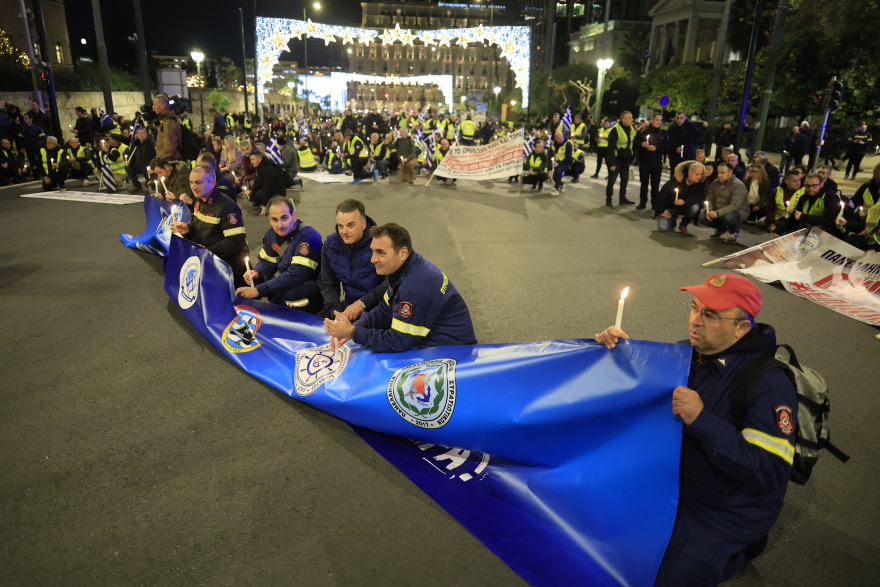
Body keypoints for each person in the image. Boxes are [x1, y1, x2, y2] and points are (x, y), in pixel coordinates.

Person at [595, 273, 796, 587]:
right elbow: (645, 391)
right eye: (694, 307)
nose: (695, 321)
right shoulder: (685, 352)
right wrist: (619, 354)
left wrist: (702, 419)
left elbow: (769, 471)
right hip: (672, 480)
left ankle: (739, 550)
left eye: (711, 315)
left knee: (660, 578)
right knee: (592, 530)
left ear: (741, 328)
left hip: (722, 507)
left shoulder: (768, 383)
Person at [324, 222, 477, 352]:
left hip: (451, 353)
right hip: (433, 342)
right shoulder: (405, 270)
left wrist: (353, 333)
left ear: (403, 253)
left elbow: (398, 341)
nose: (373, 259)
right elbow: (385, 309)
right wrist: (357, 325)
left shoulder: (415, 288)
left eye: (380, 253)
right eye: (373, 251)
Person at [235, 196, 323, 312]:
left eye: (284, 218)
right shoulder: (271, 234)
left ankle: (304, 319)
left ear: (294, 216)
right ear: (269, 219)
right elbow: (267, 261)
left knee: (290, 298)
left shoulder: (308, 237)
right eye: (274, 219)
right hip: (290, 279)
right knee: (259, 285)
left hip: (313, 284)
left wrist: (259, 290)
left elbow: (297, 274)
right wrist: (257, 272)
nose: (280, 225)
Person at [172, 166, 250, 288]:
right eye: (191, 182)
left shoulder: (226, 207)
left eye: (198, 182)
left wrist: (208, 250)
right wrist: (189, 228)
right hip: (211, 261)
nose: (193, 187)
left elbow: (235, 241)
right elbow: (202, 225)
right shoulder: (199, 200)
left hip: (229, 267)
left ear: (212, 183)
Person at [317, 199, 387, 320]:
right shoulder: (331, 244)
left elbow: (392, 283)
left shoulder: (382, 243)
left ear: (363, 224)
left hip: (379, 307)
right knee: (313, 327)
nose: (344, 232)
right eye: (340, 226)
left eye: (350, 225)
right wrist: (336, 313)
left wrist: (363, 303)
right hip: (349, 307)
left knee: (354, 330)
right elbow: (327, 284)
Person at [655, 161, 706, 234]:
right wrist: (661, 211)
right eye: (697, 174)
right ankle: (672, 220)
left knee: (695, 207)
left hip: (685, 207)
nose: (699, 177)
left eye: (701, 174)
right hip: (671, 207)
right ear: (689, 173)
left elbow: (699, 197)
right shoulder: (677, 179)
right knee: (663, 228)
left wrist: (684, 202)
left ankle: (683, 225)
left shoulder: (700, 183)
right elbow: (662, 194)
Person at [704, 162, 748, 243]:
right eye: (718, 172)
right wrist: (709, 210)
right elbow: (710, 198)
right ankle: (721, 228)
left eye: (722, 173)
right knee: (702, 216)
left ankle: (733, 231)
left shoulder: (738, 185)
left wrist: (717, 213)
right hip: (720, 209)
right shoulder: (715, 182)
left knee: (729, 217)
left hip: (738, 211)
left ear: (730, 172)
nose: (719, 175)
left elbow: (735, 205)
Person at [636, 112, 671, 210]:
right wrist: (641, 144)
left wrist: (656, 148)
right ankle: (642, 202)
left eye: (660, 120)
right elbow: (635, 143)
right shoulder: (643, 131)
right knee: (644, 183)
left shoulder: (663, 133)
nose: (658, 122)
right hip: (644, 161)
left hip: (656, 162)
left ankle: (654, 203)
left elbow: (667, 146)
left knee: (655, 184)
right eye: (657, 120)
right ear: (652, 120)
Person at [605, 111, 637, 208]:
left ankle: (622, 198)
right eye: (630, 118)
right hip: (616, 159)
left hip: (625, 159)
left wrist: (633, 157)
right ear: (623, 120)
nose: (632, 120)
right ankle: (609, 199)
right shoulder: (615, 130)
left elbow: (632, 144)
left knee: (624, 180)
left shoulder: (631, 128)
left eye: (632, 117)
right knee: (612, 181)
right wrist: (612, 163)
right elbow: (610, 148)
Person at [760, 170, 803, 237]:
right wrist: (771, 223)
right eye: (794, 181)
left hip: (795, 221)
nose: (798, 183)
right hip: (778, 219)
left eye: (799, 180)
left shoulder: (804, 192)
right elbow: (770, 209)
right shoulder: (777, 191)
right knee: (761, 223)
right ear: (786, 181)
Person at [248, 150, 288, 215]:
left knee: (268, 211)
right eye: (250, 159)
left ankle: (268, 202)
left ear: (260, 159)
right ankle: (262, 201)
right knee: (253, 187)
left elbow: (268, 187)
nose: (251, 162)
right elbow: (258, 181)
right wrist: (252, 191)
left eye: (253, 159)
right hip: (269, 191)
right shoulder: (259, 166)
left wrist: (264, 205)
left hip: (277, 192)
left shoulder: (268, 169)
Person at [152, 94, 182, 161]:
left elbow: (169, 149)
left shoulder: (168, 123)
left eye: (154, 104)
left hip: (170, 163)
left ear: (162, 106)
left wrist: (160, 161)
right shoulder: (169, 120)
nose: (152, 107)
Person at [124, 127, 155, 192]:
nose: (140, 135)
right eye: (138, 133)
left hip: (148, 165)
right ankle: (136, 185)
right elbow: (132, 154)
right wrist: (129, 161)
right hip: (139, 165)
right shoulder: (136, 143)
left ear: (146, 133)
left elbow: (153, 156)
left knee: (150, 183)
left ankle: (153, 186)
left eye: (142, 133)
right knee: (128, 167)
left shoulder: (151, 143)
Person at [549, 130, 573, 196]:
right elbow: (550, 155)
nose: (561, 139)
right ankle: (561, 184)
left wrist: (558, 163)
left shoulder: (568, 144)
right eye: (559, 138)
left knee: (559, 171)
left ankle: (556, 189)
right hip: (557, 161)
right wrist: (552, 163)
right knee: (554, 178)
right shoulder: (553, 144)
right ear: (555, 138)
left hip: (566, 162)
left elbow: (569, 158)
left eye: (562, 137)